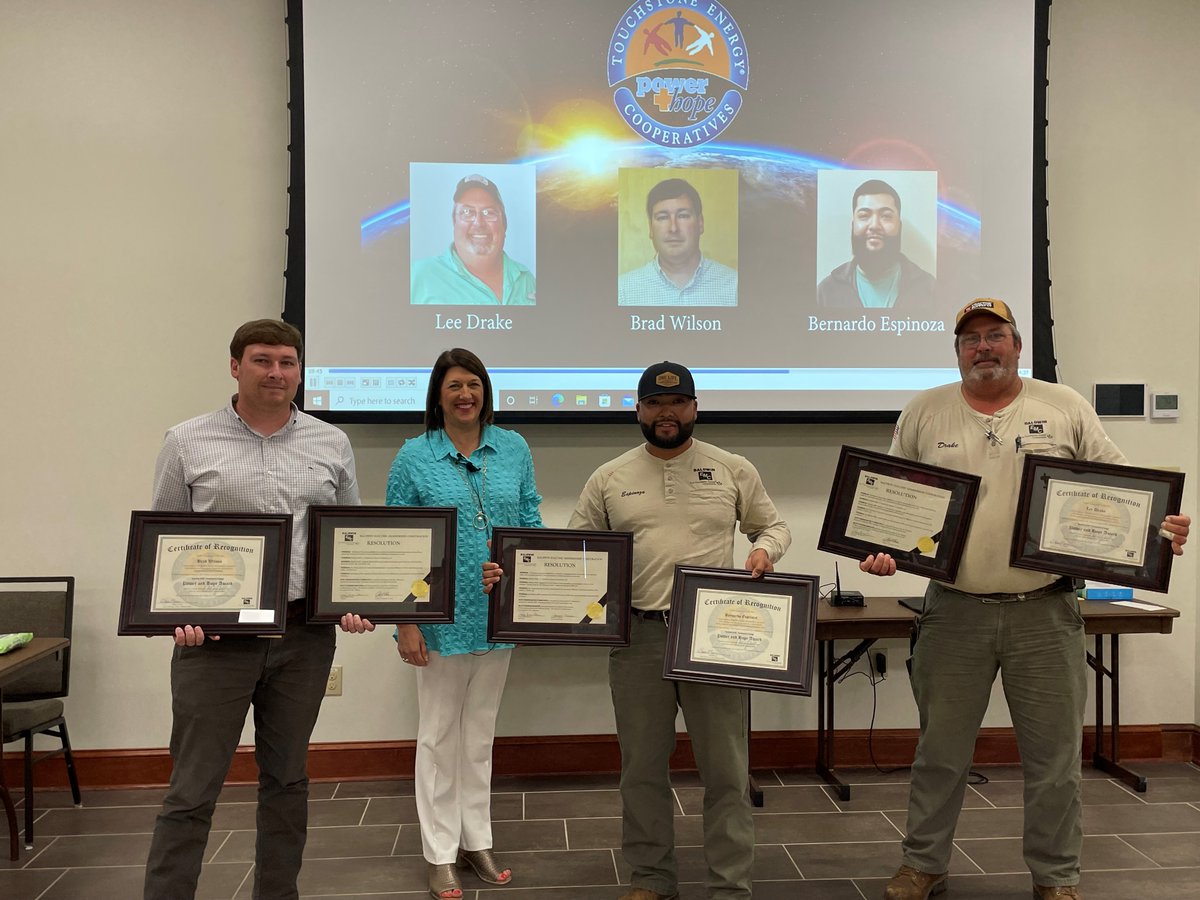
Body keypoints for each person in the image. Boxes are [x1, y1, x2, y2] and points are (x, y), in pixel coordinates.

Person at [860, 298, 1190, 900]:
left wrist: (1159, 527)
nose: (982, 347)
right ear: (956, 352)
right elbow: (889, 497)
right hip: (953, 610)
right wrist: (883, 548)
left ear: (1017, 346)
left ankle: (1056, 878)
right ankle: (923, 866)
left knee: (1054, 759)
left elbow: (1124, 488)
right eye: (970, 340)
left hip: (1046, 610)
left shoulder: (1062, 407)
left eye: (995, 336)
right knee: (940, 753)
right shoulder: (925, 411)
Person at [495, 361, 789, 900]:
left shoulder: (732, 469)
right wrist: (519, 574)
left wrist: (765, 550)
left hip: (715, 637)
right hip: (638, 639)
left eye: (677, 403)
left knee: (727, 771)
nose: (666, 413)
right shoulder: (610, 477)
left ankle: (730, 885)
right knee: (642, 771)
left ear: (695, 408)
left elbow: (773, 524)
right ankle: (652, 880)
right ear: (638, 410)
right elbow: (573, 552)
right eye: (654, 403)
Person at [143, 319, 372, 900]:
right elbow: (165, 544)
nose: (276, 372)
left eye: (287, 362)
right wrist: (177, 614)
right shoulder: (186, 440)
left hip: (303, 639)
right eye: (263, 360)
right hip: (213, 643)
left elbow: (348, 541)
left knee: (287, 780)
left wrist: (354, 601)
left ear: (300, 370)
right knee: (191, 789)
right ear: (235, 366)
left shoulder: (332, 443)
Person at [387, 348, 543, 899]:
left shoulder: (514, 448)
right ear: (437, 395)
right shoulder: (413, 456)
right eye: (453, 385)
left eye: (473, 384)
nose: (465, 395)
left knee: (479, 736)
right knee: (437, 737)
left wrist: (522, 568)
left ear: (485, 391)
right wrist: (405, 624)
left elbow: (530, 522)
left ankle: (476, 839)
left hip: (498, 620)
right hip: (438, 622)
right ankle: (438, 852)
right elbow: (398, 547)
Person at [411, 174, 536, 306]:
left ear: (504, 225)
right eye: (467, 212)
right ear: (454, 223)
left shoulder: (526, 279)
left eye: (489, 213)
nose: (479, 223)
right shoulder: (418, 276)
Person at [817, 178, 936, 310]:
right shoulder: (826, 292)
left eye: (886, 216)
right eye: (864, 215)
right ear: (853, 225)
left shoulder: (930, 289)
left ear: (899, 226)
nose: (874, 225)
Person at [618, 178, 737, 307]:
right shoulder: (623, 292)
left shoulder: (735, 287)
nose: (673, 228)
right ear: (651, 228)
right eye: (662, 217)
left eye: (683, 216)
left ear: (700, 223)